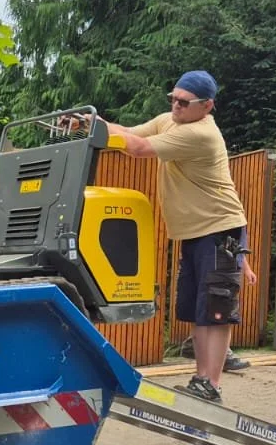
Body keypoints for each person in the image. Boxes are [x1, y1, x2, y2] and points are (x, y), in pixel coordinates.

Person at [104, 71, 255, 404]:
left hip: (218, 228)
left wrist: (98, 128)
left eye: (184, 102)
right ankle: (201, 379)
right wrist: (94, 123)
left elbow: (140, 148)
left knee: (215, 309)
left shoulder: (202, 135)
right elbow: (128, 133)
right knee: (198, 308)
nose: (176, 106)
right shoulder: (170, 119)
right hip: (197, 231)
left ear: (207, 106)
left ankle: (210, 383)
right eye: (172, 98)